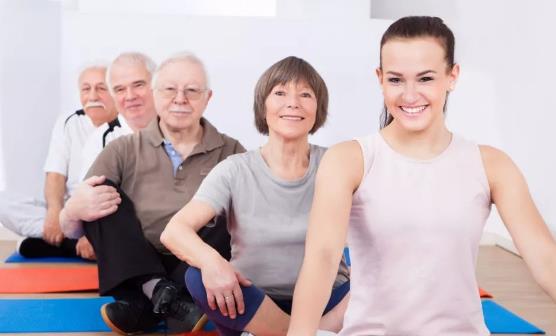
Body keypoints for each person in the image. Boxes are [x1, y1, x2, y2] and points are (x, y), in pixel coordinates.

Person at [287, 16, 556, 336]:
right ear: (380, 78)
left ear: (452, 76)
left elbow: (544, 259)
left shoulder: (491, 165)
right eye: (396, 80)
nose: (410, 95)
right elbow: (322, 258)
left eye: (425, 78)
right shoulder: (349, 159)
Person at [161, 56, 350, 336]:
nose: (293, 103)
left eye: (305, 94)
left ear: (318, 109)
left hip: (328, 302)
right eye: (280, 93)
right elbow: (174, 232)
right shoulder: (234, 170)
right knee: (197, 276)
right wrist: (214, 263)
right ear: (263, 107)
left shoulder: (337, 163)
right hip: (253, 304)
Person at [60, 52, 245, 334]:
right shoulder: (122, 149)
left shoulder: (231, 151)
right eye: (170, 89)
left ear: (207, 98)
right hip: (138, 259)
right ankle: (164, 295)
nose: (180, 98)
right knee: (101, 194)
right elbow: (72, 228)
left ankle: (145, 307)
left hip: (196, 261)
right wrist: (73, 209)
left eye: (192, 90)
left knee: (232, 209)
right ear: (156, 95)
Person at [0, 63, 117, 260]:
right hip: (69, 213)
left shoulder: (125, 127)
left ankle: (63, 244)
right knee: (4, 204)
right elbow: (55, 173)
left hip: (105, 215)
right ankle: (71, 242)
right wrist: (55, 214)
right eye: (86, 89)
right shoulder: (69, 122)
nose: (93, 96)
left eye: (101, 88)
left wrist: (92, 231)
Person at [79, 51, 158, 179]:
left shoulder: (181, 129)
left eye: (138, 85)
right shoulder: (100, 141)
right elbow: (90, 195)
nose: (130, 96)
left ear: (157, 85)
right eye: (120, 89)